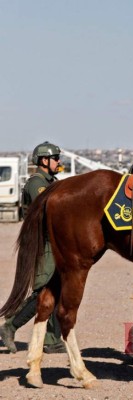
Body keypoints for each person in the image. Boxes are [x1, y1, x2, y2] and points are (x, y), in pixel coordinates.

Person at [0, 142, 66, 354]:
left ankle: (52, 340)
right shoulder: (37, 183)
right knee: (42, 290)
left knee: (57, 287)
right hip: (42, 243)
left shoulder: (50, 181)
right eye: (55, 158)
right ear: (44, 161)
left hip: (52, 241)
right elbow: (49, 210)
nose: (58, 162)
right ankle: (10, 326)